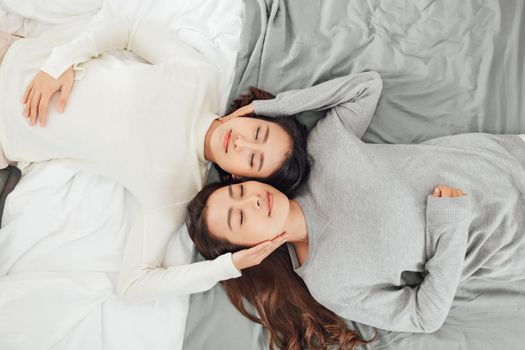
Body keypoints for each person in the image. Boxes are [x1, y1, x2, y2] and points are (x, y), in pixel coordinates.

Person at [185, 71, 525, 342]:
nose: (253, 199)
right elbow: (423, 317)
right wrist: (450, 229)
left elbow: (365, 86)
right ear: (251, 250)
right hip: (514, 243)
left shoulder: (323, 149)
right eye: (241, 217)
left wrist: (262, 110)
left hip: (509, 158)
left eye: (241, 189)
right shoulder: (328, 284)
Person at [0, 11, 309, 301]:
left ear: (241, 178)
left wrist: (227, 266)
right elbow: (129, 31)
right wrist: (63, 61)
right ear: (250, 115)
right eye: (257, 133)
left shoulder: (177, 192)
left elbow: (132, 285)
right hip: (13, 57)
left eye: (252, 160)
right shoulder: (201, 77)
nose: (242, 143)